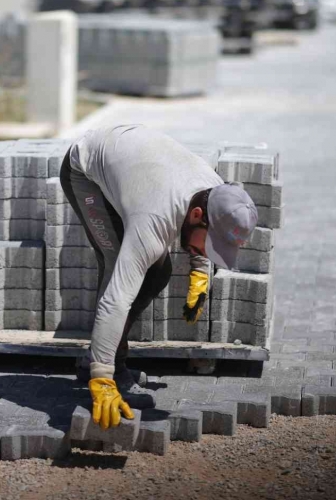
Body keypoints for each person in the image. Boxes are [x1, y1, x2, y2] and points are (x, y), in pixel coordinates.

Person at [61, 123, 259, 429]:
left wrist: (201, 275)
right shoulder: (154, 218)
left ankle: (103, 360)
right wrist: (103, 378)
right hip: (86, 170)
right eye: (209, 246)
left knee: (158, 272)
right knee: (124, 268)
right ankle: (104, 369)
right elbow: (116, 301)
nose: (207, 253)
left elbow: (203, 233)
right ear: (196, 216)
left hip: (135, 165)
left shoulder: (217, 191)